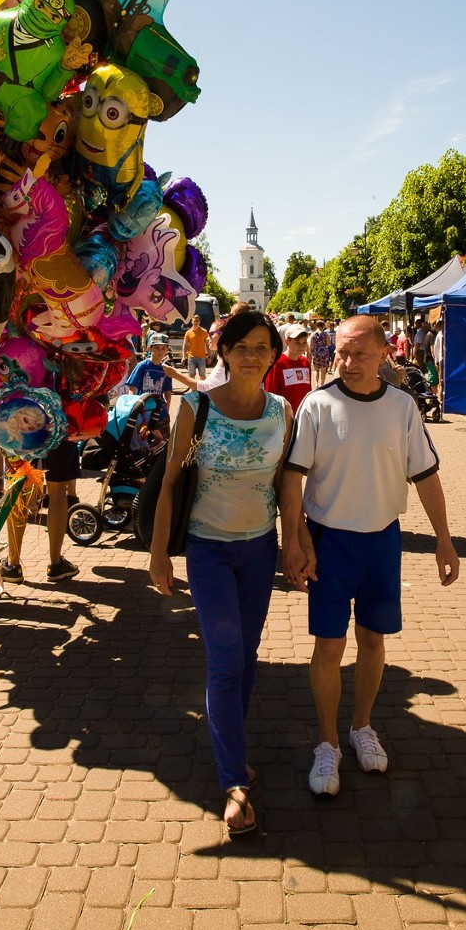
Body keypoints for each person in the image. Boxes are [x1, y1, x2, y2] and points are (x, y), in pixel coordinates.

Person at [280, 314, 459, 796]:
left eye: (360, 352)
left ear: (385, 353)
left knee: (374, 641)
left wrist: (444, 538)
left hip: (381, 541)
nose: (348, 361)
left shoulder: (401, 408)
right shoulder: (317, 405)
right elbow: (292, 479)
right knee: (328, 647)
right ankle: (327, 742)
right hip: (330, 544)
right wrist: (294, 539)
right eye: (341, 351)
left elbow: (425, 476)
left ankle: (362, 727)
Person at [149, 311, 292, 838]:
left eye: (261, 346)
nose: (251, 355)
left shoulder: (281, 411)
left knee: (246, 659)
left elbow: (283, 485)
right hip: (208, 550)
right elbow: (170, 482)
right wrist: (159, 552)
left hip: (259, 549)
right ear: (224, 352)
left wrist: (293, 542)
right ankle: (234, 782)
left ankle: (232, 745)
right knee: (226, 661)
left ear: (273, 353)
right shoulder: (197, 407)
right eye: (241, 346)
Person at [1, 439, 81, 584]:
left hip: (17, 428)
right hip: (59, 426)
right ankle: (56, 564)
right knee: (58, 491)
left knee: (18, 490)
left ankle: (12, 565)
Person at [126, 333, 173, 437]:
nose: (160, 351)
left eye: (163, 348)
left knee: (163, 443)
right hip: (143, 413)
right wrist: (131, 410)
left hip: (160, 413)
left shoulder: (166, 369)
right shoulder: (142, 366)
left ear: (167, 350)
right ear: (149, 348)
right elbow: (132, 389)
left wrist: (167, 410)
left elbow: (168, 392)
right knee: (141, 444)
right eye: (156, 348)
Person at [264, 324, 312, 413]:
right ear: (286, 342)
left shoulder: (305, 362)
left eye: (304, 342)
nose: (301, 346)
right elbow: (270, 393)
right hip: (283, 417)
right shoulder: (277, 363)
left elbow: (308, 390)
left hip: (302, 416)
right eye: (297, 342)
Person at [182, 314, 210, 381]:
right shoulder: (188, 332)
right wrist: (183, 356)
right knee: (191, 376)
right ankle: (193, 390)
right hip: (191, 357)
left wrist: (209, 356)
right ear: (192, 322)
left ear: (199, 322)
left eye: (197, 321)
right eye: (194, 321)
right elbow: (185, 345)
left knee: (202, 375)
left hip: (202, 357)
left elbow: (207, 344)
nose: (195, 322)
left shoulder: (204, 331)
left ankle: (203, 390)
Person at [308, 321, 331, 388]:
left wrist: (311, 352)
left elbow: (310, 345)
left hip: (316, 352)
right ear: (323, 326)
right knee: (323, 370)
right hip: (324, 352)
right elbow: (329, 343)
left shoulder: (313, 334)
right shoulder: (325, 334)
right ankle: (322, 384)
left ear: (317, 326)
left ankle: (316, 384)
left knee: (316, 369)